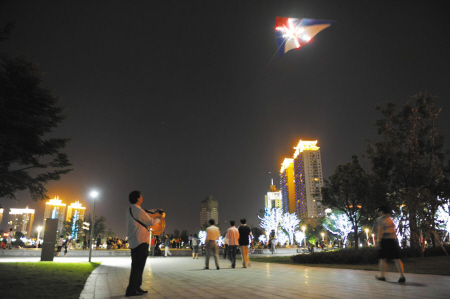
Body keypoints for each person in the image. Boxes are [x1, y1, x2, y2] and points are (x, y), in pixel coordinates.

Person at [125, 190, 164, 297]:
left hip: (134, 241)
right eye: (141, 196)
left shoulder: (129, 210)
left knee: (136, 266)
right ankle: (131, 290)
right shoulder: (138, 211)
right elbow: (150, 221)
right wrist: (158, 218)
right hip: (141, 241)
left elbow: (145, 214)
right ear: (138, 198)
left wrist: (155, 211)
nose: (142, 197)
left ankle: (136, 287)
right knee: (138, 267)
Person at [376, 205, 406, 283]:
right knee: (397, 258)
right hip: (393, 240)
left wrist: (378, 241)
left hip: (385, 241)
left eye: (379, 211)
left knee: (382, 258)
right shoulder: (390, 219)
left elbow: (380, 232)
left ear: (382, 212)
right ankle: (402, 276)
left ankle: (381, 276)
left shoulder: (380, 220)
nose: (378, 213)